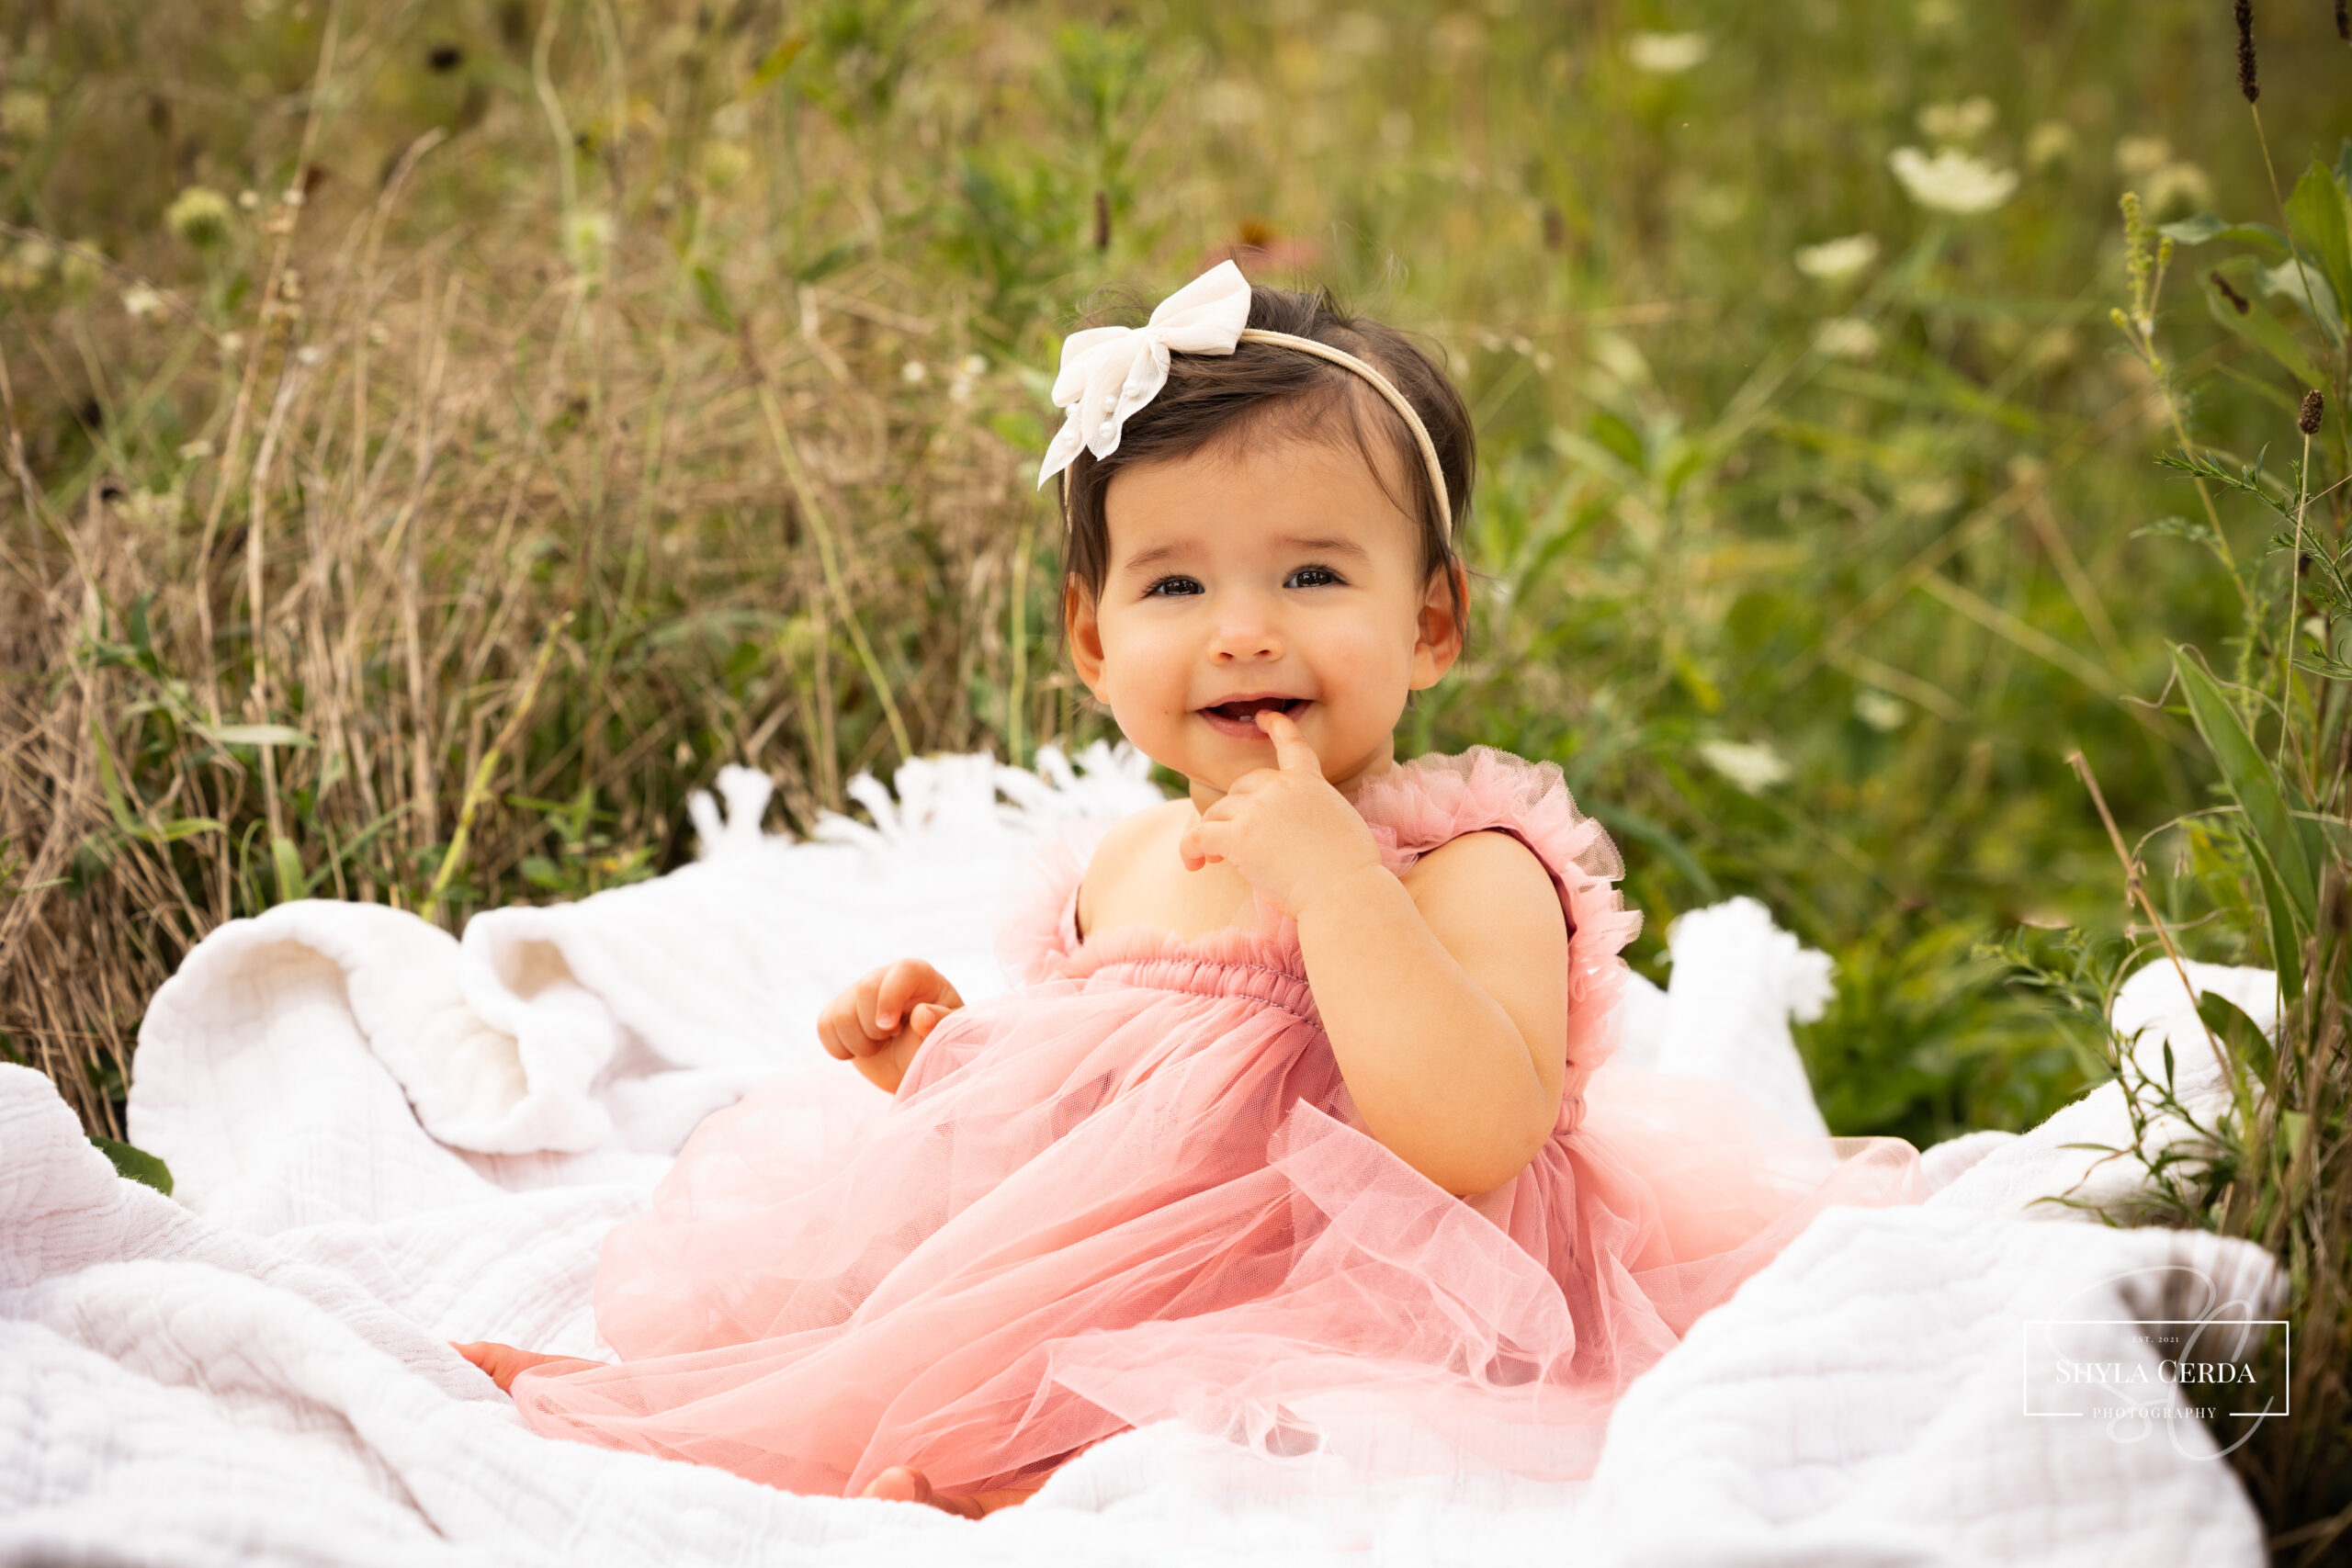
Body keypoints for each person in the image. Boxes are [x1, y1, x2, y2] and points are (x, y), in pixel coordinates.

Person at [456, 261, 1926, 1517]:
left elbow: (1472, 1141)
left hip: (1379, 1293)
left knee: (1240, 1389)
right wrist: (949, 1066)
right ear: (1093, 646)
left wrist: (1337, 881)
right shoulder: (1124, 865)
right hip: (1133, 1269)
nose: (1239, 632)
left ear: (1431, 623)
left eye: (1308, 577)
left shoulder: (1473, 870)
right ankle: (692, 1410)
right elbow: (1080, 1143)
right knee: (927, 1306)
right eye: (1174, 588)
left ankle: (1035, 1473)